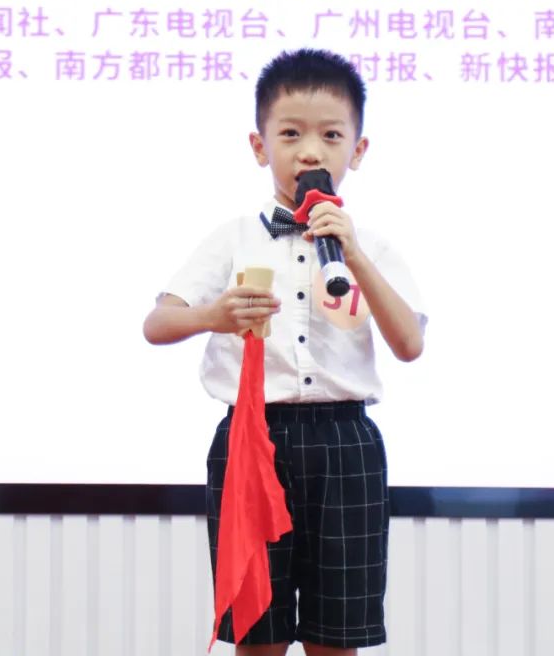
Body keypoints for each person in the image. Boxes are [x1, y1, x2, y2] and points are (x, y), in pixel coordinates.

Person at [143, 48, 427, 656]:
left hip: (346, 445)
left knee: (338, 639)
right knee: (257, 635)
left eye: (331, 136)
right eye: (291, 134)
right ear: (259, 145)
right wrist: (213, 316)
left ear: (358, 150)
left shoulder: (370, 247)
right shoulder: (233, 238)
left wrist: (353, 255)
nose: (310, 152)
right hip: (252, 441)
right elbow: (157, 323)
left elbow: (409, 344)